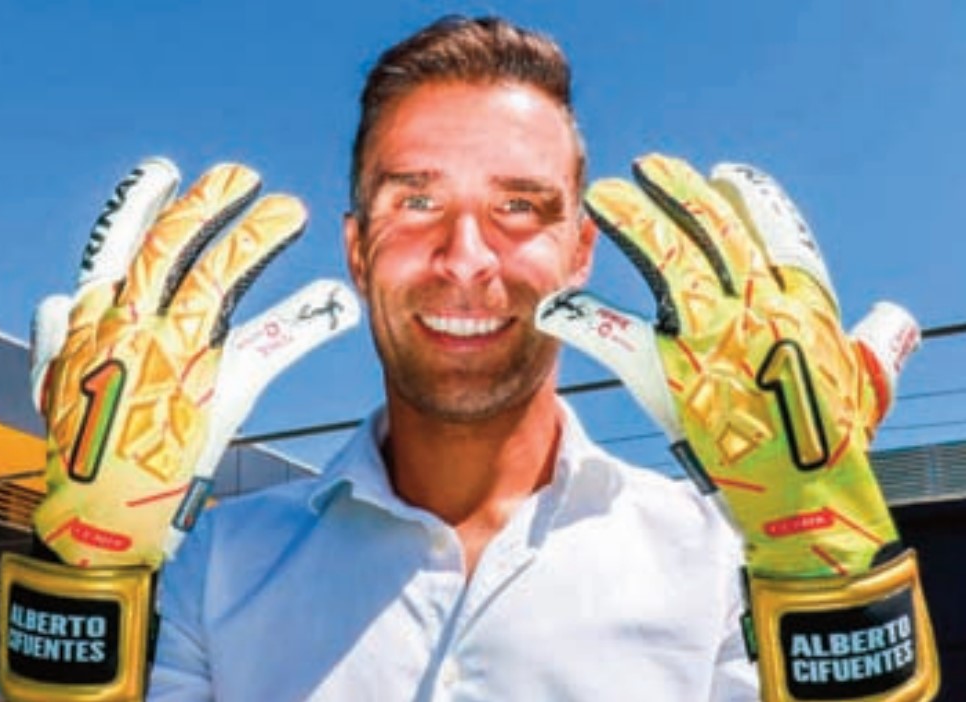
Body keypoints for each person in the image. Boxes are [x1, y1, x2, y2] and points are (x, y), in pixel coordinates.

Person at [148, 15, 757, 700]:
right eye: (417, 201)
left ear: (580, 252)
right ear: (357, 252)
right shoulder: (217, 566)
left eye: (517, 206)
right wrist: (85, 578)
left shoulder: (720, 560)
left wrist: (828, 579)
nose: (465, 260)